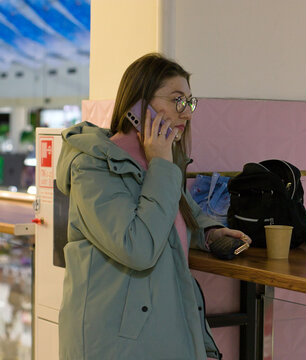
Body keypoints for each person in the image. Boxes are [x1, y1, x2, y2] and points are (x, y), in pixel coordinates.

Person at [56, 53, 250, 360]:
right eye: (177, 100)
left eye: (190, 102)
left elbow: (175, 217)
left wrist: (210, 232)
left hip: (160, 332)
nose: (187, 113)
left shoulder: (155, 165)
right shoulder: (93, 168)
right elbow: (138, 247)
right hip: (113, 341)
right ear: (139, 105)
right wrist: (161, 163)